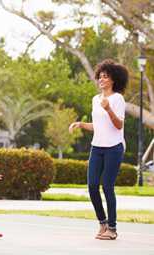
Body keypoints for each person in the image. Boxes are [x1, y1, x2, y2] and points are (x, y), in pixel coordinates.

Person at [69, 59, 128, 240]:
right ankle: (102, 222)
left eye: (106, 77)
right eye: (100, 76)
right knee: (92, 186)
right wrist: (80, 124)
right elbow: (99, 125)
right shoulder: (96, 99)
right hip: (97, 147)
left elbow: (118, 125)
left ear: (113, 80)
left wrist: (109, 108)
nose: (101, 80)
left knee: (107, 187)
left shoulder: (117, 99)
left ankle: (112, 228)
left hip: (114, 148)